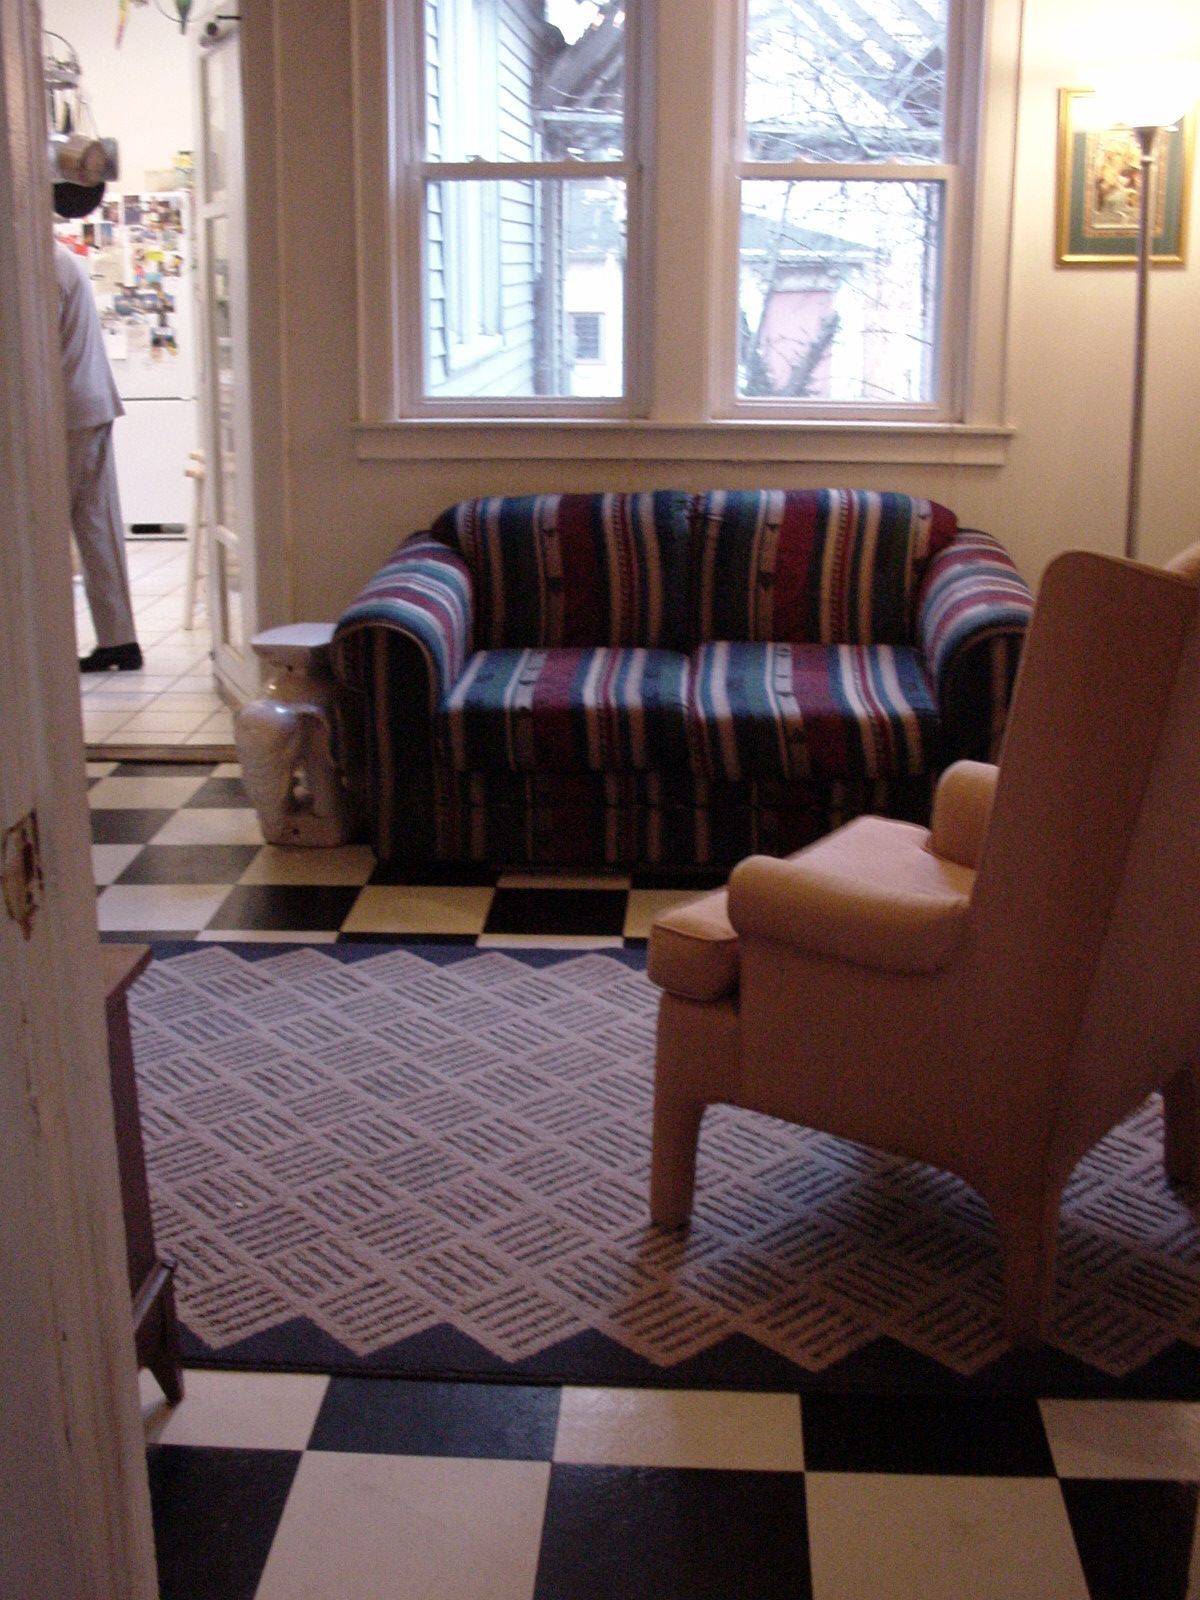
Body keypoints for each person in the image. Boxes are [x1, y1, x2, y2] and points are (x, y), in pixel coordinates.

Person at [53, 238, 142, 671]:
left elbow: (35, 345)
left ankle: (50, 641)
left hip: (66, 411)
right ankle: (118, 639)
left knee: (44, 530)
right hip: (89, 402)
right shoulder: (60, 259)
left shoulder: (40, 264)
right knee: (96, 525)